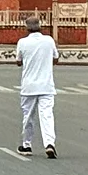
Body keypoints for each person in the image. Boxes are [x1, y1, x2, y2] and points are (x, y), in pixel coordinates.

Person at [16, 16, 59, 159]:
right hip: (46, 85)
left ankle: (26, 144)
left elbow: (18, 61)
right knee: (47, 115)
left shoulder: (22, 42)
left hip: (29, 86)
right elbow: (56, 58)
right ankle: (49, 144)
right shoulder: (49, 40)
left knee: (28, 117)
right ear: (40, 26)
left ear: (27, 28)